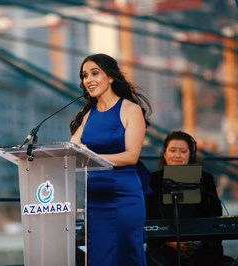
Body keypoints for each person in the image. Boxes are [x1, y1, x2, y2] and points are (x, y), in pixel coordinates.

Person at [70, 53, 152, 265]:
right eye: (85, 76)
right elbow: (71, 152)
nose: (88, 80)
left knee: (127, 253)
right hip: (96, 198)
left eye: (95, 73)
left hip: (124, 196)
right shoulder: (87, 115)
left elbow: (131, 156)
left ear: (111, 77)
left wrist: (93, 158)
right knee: (99, 256)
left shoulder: (130, 110)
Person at [145, 131, 232, 266]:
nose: (177, 155)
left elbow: (214, 215)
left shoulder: (206, 179)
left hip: (201, 245)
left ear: (190, 154)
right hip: (164, 245)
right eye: (172, 150)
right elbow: (149, 216)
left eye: (183, 151)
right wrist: (173, 242)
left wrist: (199, 242)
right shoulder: (153, 180)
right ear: (165, 153)